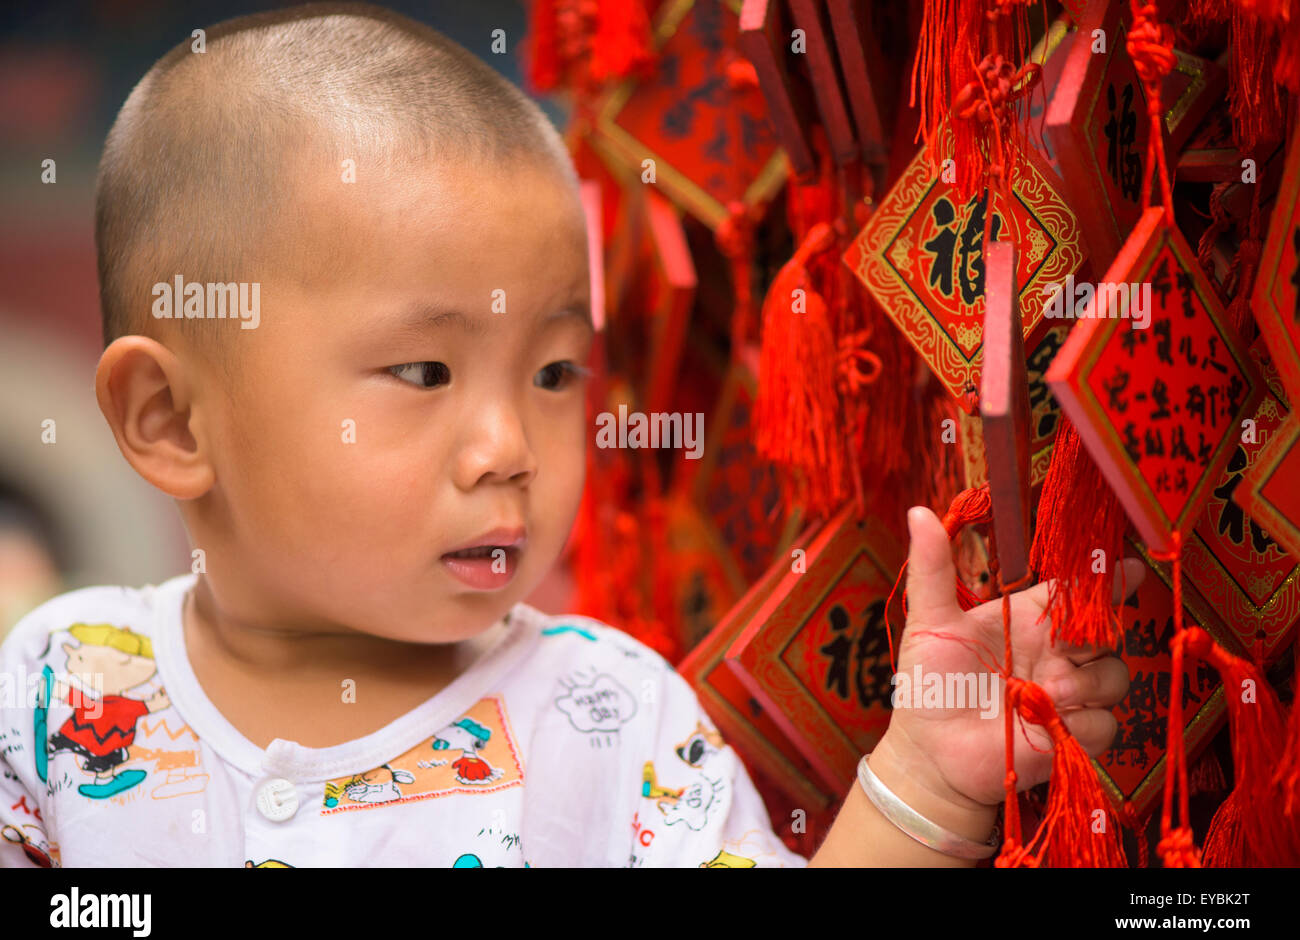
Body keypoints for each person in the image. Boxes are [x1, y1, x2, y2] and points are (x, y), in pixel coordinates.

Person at [0, 2, 1135, 868]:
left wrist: (925, 785)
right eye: (422, 370)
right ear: (171, 420)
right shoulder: (61, 690)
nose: (510, 446)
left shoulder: (606, 716)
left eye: (552, 372)